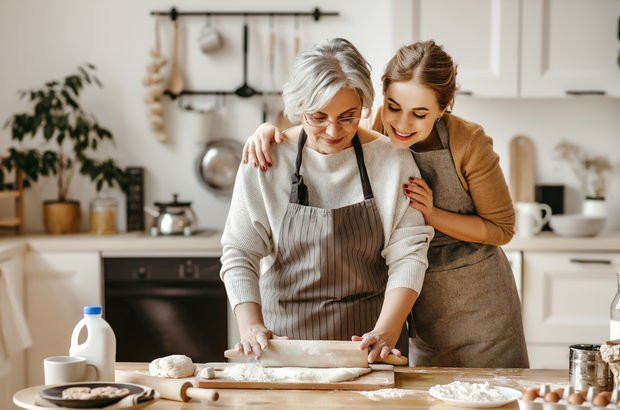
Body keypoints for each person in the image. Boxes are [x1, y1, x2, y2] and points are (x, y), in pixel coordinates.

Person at [241, 40, 529, 368]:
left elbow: (501, 229)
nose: (402, 124)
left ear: (445, 107)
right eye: (393, 107)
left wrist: (431, 214)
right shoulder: (378, 133)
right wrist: (270, 133)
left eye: (419, 114)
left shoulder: (468, 143)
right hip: (415, 302)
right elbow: (326, 125)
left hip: (477, 303)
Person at [220, 38, 433, 363]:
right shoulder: (267, 158)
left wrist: (387, 331)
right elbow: (240, 252)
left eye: (348, 116)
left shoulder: (392, 160)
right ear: (297, 107)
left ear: (364, 105)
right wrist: (250, 327)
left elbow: (409, 255)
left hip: (370, 348)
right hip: (283, 349)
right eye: (318, 117)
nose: (333, 131)